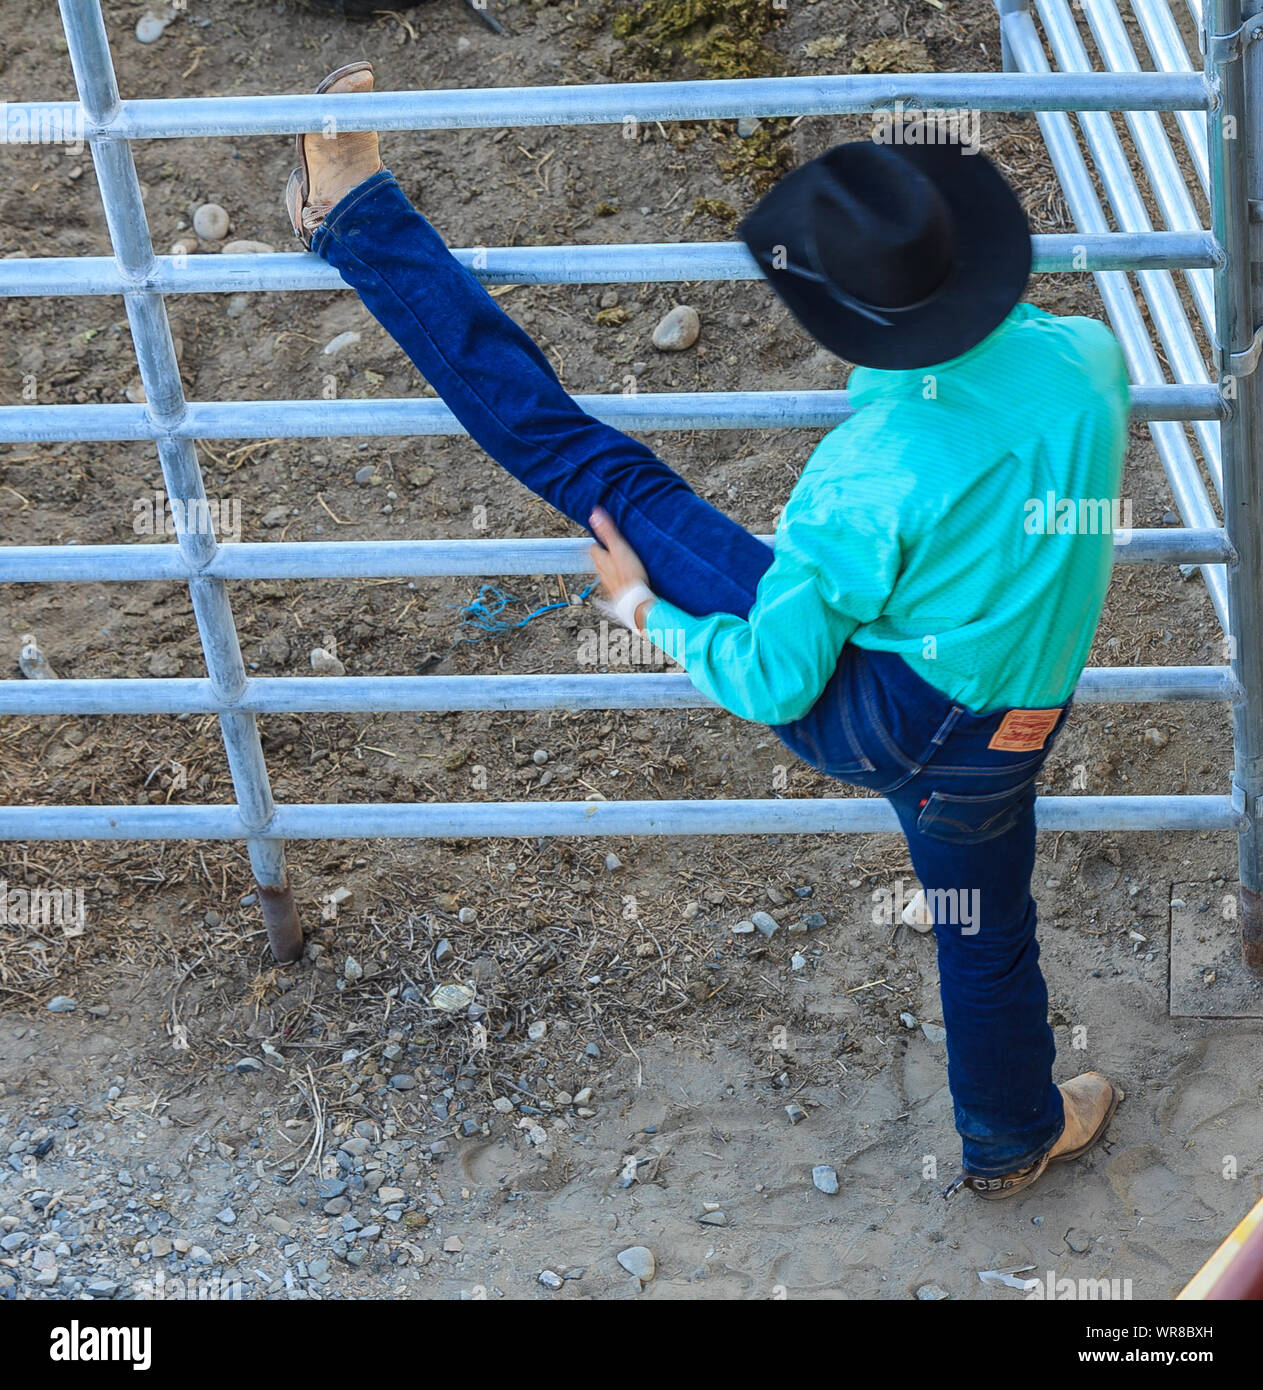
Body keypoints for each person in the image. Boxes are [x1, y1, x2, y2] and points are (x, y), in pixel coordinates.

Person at [286, 62, 1128, 1199]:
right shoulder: (1090, 364)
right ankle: (1012, 1134)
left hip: (879, 714)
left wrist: (645, 611)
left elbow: (779, 681)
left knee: (585, 462)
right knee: (987, 934)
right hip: (1012, 727)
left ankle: (356, 219)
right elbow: (994, 391)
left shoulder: (862, 481)